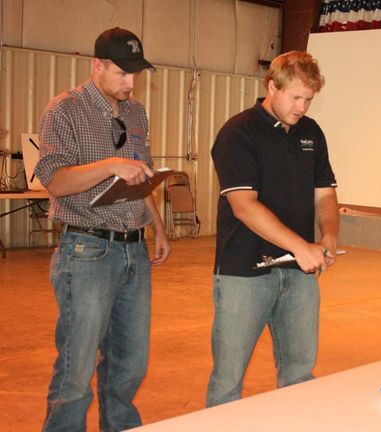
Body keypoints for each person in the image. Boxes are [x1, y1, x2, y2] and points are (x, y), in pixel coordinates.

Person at [35, 27, 171, 431]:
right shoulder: (64, 111)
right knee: (76, 368)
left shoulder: (135, 112)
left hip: (134, 251)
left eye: (135, 74)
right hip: (86, 252)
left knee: (130, 364)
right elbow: (55, 181)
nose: (130, 83)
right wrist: (110, 165)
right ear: (97, 65)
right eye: (122, 73)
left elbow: (140, 176)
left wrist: (157, 228)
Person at [207, 51, 340, 406]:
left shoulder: (311, 132)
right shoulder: (239, 132)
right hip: (244, 275)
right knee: (228, 381)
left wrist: (328, 235)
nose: (302, 107)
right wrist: (301, 246)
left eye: (309, 99)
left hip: (298, 276)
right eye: (296, 97)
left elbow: (325, 195)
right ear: (272, 86)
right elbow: (244, 206)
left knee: (299, 376)